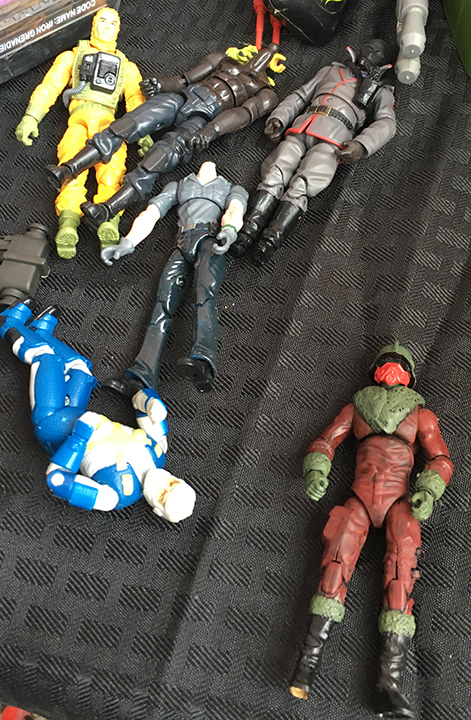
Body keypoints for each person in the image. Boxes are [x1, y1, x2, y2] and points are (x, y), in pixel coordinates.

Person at [290, 343, 453, 718]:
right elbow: (327, 440)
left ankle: (388, 683)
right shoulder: (356, 407)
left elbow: (441, 458)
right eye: (386, 363)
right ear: (374, 372)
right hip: (360, 498)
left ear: (410, 377)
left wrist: (428, 491)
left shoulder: (421, 414)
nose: (392, 367)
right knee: (335, 562)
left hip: (400, 501)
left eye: (400, 364)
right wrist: (316, 470)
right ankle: (306, 666)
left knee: (402, 573)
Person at [0, 299, 195, 521]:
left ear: (157, 509)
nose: (163, 485)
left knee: (46, 359)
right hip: (75, 412)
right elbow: (141, 401)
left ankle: (8, 322)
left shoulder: (114, 496)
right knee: (81, 369)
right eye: (171, 484)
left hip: (53, 424)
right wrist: (152, 404)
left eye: (163, 495)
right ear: (177, 478)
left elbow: (57, 480)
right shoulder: (158, 450)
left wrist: (81, 436)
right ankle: (39, 332)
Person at [45, 45, 281, 225]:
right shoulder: (224, 59)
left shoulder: (266, 93)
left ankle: (107, 209)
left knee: (161, 157)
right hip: (183, 97)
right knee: (128, 123)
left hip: (204, 120)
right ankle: (67, 170)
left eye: (271, 52)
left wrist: (212, 130)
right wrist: (160, 85)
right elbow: (185, 79)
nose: (266, 52)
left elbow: (243, 114)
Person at [233, 39, 397, 265]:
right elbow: (301, 96)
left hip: (335, 139)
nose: (371, 53)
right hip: (303, 126)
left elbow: (387, 123)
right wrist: (279, 117)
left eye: (379, 53)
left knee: (302, 186)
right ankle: (246, 232)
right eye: (369, 48)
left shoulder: (381, 89)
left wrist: (362, 144)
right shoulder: (332, 70)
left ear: (384, 61)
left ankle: (269, 242)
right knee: (273, 174)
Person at [101, 161, 248, 395]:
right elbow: (152, 213)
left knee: (204, 295)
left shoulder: (231, 188)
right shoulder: (178, 186)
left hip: (210, 240)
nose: (208, 164)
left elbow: (235, 211)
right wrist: (129, 241)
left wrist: (229, 230)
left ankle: (204, 360)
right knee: (162, 305)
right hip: (182, 243)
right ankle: (142, 377)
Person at [15, 7, 147, 258]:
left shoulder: (127, 67)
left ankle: (109, 222)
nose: (106, 26)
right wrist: (32, 116)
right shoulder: (72, 57)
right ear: (93, 24)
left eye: (112, 23)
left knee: (113, 170)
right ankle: (68, 224)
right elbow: (51, 85)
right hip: (78, 119)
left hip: (110, 125)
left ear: (118, 30)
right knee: (69, 167)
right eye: (102, 21)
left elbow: (136, 100)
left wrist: (144, 133)